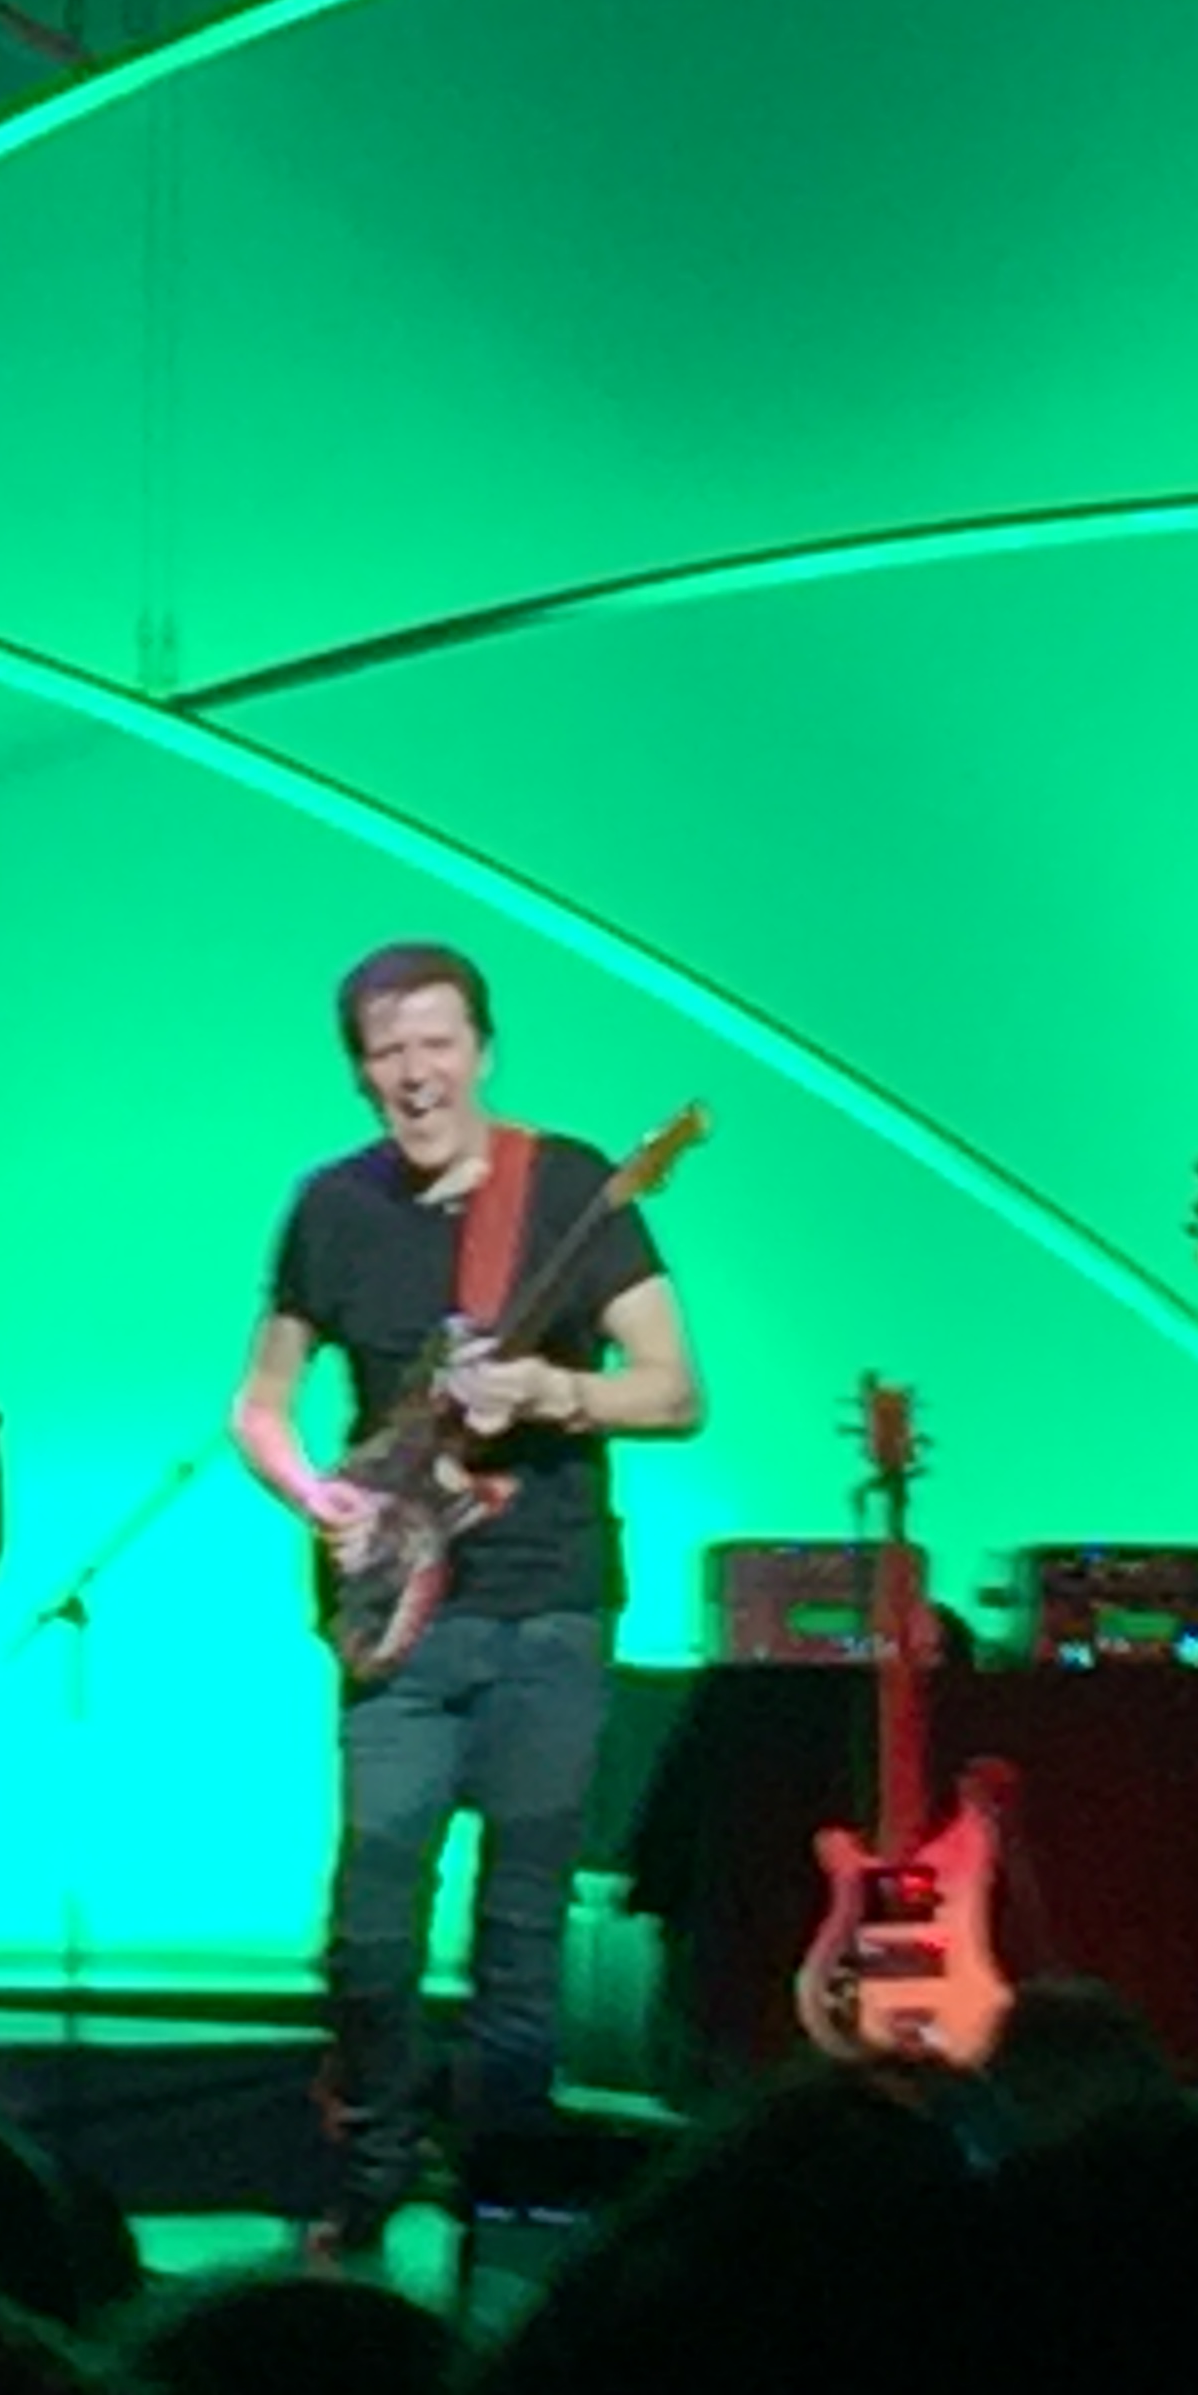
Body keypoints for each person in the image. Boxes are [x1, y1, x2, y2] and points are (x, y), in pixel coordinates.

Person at [233, 942, 703, 2255]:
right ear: (360, 1070)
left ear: (482, 1051)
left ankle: (499, 2192)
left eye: (436, 1043)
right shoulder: (330, 1207)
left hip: (549, 1604)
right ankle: (373, 2170)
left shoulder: (573, 1185)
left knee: (521, 1924)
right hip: (397, 1613)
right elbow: (260, 1406)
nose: (414, 1073)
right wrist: (310, 1494)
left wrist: (555, 1391)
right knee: (370, 1921)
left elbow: (673, 1388)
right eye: (388, 1050)